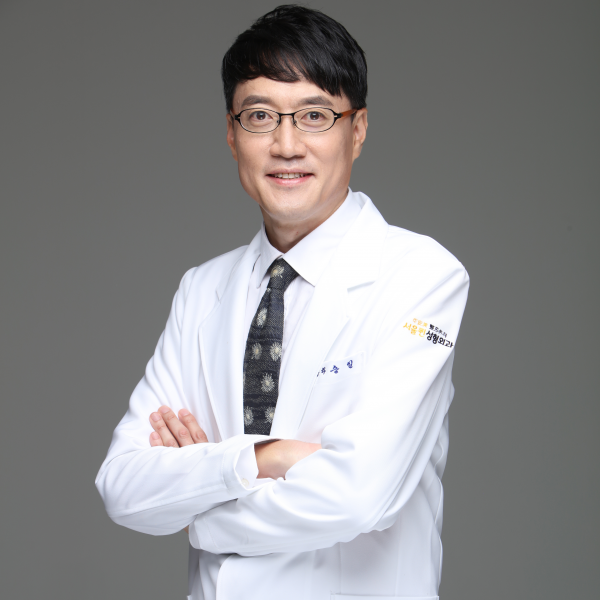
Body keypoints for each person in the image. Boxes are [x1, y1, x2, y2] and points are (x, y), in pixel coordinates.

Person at [96, 5, 469, 600]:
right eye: (260, 116)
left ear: (358, 129)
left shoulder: (420, 276)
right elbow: (122, 486)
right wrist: (264, 458)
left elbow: (357, 496)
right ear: (231, 133)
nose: (286, 144)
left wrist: (201, 509)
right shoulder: (201, 290)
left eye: (315, 116)